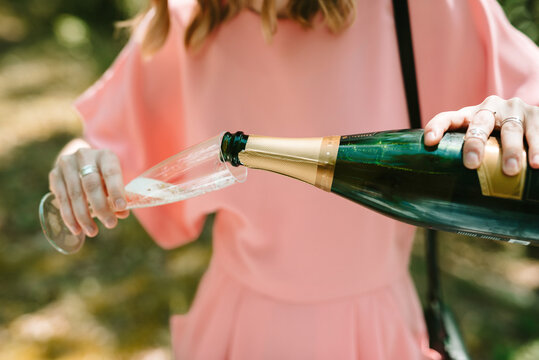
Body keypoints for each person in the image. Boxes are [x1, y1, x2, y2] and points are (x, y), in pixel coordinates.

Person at [48, 0, 539, 358]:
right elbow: (107, 143)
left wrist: (525, 118)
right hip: (237, 331)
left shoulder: (418, 11)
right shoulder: (188, 22)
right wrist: (79, 161)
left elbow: (528, 94)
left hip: (376, 331)